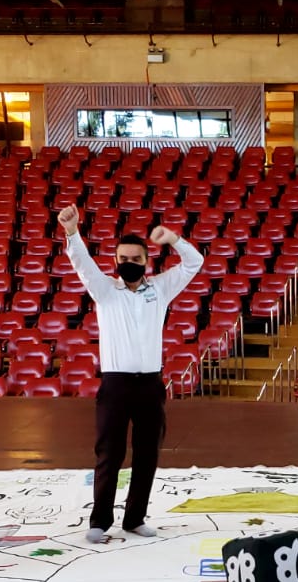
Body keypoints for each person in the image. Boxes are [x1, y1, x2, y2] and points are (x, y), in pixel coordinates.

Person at [58, 205, 204, 543]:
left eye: (136, 258)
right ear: (115, 261)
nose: (130, 263)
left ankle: (135, 517)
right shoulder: (105, 290)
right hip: (116, 384)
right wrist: (72, 231)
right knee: (109, 451)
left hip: (150, 384)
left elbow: (195, 263)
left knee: (147, 452)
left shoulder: (161, 288)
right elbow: (81, 263)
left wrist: (174, 239)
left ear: (146, 261)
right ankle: (99, 521)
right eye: (124, 257)